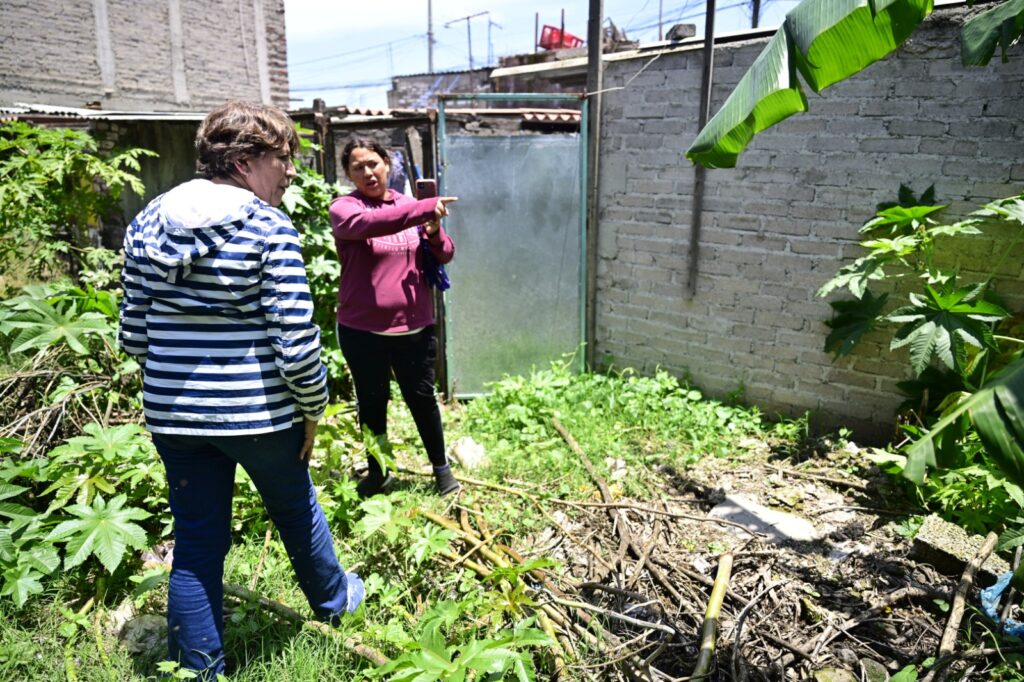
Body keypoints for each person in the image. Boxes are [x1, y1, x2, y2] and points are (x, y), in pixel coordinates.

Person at [118, 101, 363, 679]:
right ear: (247, 160)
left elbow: (133, 335)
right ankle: (337, 604)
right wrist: (312, 407)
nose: (291, 172)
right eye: (285, 158)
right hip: (259, 414)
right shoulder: (268, 226)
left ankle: (199, 669)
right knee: (295, 509)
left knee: (197, 541)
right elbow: (295, 340)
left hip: (174, 418)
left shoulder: (147, 221)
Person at [329, 138, 459, 498]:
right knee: (372, 402)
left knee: (422, 398)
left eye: (373, 163)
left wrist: (432, 231)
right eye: (358, 167)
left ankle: (441, 469)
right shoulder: (345, 208)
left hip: (413, 326)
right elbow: (374, 223)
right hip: (361, 328)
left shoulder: (410, 206)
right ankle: (378, 473)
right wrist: (422, 210)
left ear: (387, 164)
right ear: (349, 174)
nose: (368, 172)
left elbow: (445, 253)